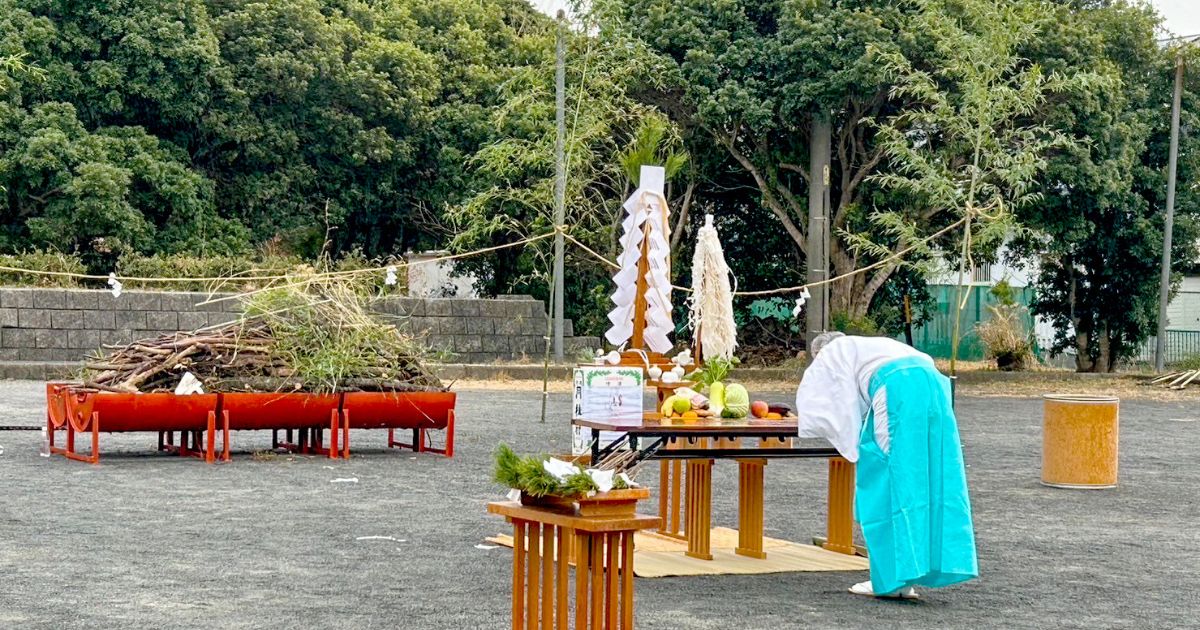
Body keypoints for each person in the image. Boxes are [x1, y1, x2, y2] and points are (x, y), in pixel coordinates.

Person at [795, 331, 978, 599]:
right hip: (934, 386)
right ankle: (918, 571)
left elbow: (831, 401)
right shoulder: (875, 346)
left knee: (886, 479)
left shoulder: (836, 350)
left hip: (898, 389)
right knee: (931, 476)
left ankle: (891, 580)